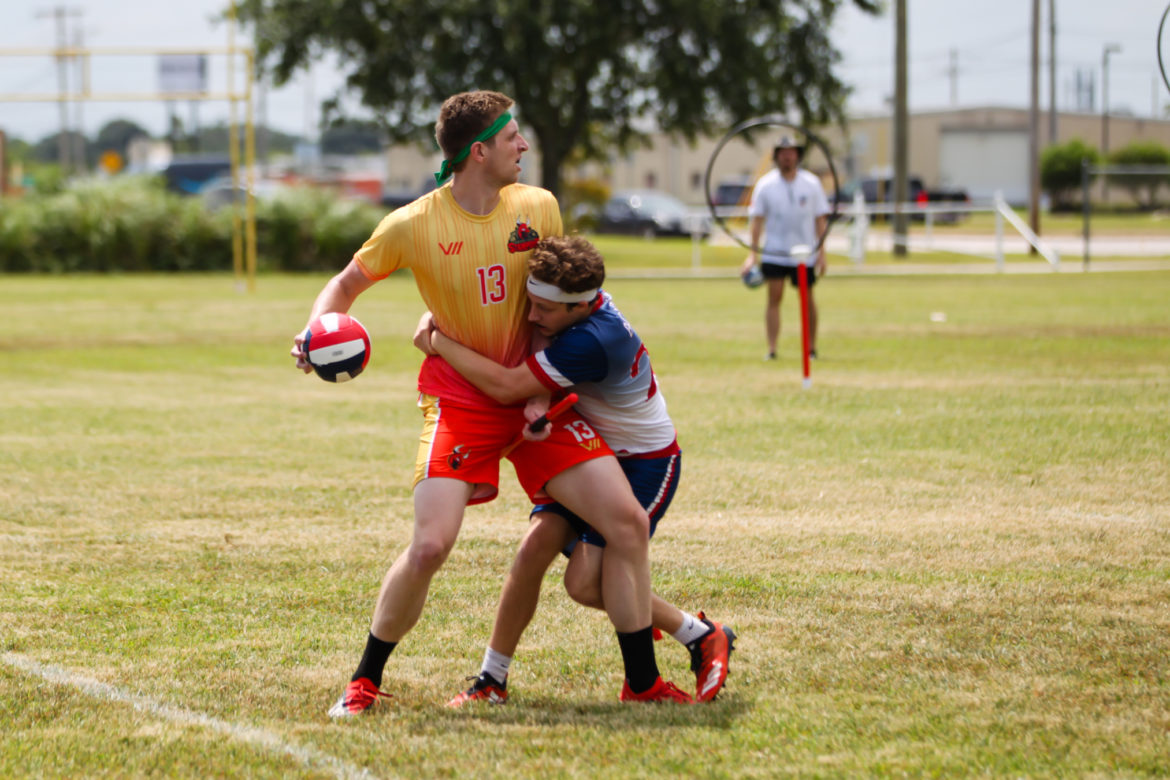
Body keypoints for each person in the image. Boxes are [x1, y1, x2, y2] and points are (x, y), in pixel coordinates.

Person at [292, 91, 689, 717]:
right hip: (461, 401)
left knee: (627, 523)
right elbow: (346, 284)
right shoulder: (410, 224)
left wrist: (542, 391)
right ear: (480, 151)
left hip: (535, 399)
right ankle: (365, 679)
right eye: (513, 138)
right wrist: (316, 329)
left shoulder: (539, 207)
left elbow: (550, 306)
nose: (524, 147)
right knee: (430, 546)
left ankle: (643, 681)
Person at [415, 235, 736, 705]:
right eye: (532, 301)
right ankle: (491, 681)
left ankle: (695, 637)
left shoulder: (596, 338)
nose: (531, 316)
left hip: (645, 463)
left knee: (585, 584)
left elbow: (506, 387)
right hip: (590, 449)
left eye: (544, 309)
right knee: (533, 549)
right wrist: (544, 395)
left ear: (581, 308)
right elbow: (542, 342)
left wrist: (439, 340)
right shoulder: (577, 305)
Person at [739, 135, 831, 361]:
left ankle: (811, 348)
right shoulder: (766, 185)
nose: (787, 156)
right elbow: (757, 221)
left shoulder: (811, 183)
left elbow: (820, 219)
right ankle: (772, 349)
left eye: (791, 152)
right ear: (777, 156)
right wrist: (752, 255)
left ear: (797, 155)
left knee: (807, 298)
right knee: (774, 297)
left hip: (804, 253)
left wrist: (822, 253)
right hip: (775, 251)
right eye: (782, 152)